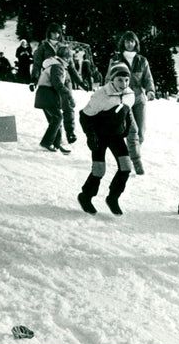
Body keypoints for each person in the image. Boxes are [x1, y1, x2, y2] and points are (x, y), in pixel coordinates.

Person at [77, 63, 144, 215]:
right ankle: (85, 196)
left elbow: (126, 113)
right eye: (120, 80)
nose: (124, 84)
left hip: (116, 136)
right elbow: (84, 116)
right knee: (99, 170)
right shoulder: (102, 94)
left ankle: (113, 198)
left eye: (127, 80)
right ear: (112, 79)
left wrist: (126, 129)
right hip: (99, 137)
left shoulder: (130, 94)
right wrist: (90, 135)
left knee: (126, 167)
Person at [31, 23, 84, 144]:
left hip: (65, 80)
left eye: (58, 33)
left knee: (68, 105)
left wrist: (80, 81)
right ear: (49, 33)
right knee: (55, 110)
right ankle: (57, 139)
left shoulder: (64, 47)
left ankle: (70, 133)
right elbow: (37, 64)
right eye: (53, 32)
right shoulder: (43, 47)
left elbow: (71, 67)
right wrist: (34, 78)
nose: (56, 35)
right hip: (51, 82)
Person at [106, 31, 155, 144]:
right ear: (123, 43)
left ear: (135, 43)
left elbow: (148, 78)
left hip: (138, 98)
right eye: (127, 41)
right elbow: (109, 79)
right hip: (122, 98)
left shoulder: (142, 60)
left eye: (131, 41)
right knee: (122, 129)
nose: (129, 44)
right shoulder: (116, 59)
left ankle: (134, 156)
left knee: (140, 131)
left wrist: (150, 90)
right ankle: (125, 157)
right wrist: (109, 94)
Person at [34, 43, 74, 154]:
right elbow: (58, 84)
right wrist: (68, 94)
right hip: (48, 95)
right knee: (57, 118)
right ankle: (47, 142)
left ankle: (56, 144)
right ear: (66, 57)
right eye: (69, 58)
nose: (70, 61)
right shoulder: (58, 67)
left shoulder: (52, 65)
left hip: (43, 94)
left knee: (55, 119)